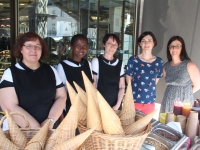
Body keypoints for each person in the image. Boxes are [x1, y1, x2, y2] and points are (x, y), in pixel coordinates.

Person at [0, 32, 67, 129]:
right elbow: (9, 106)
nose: (33, 50)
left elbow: (61, 96)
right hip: (21, 133)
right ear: (21, 49)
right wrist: (36, 128)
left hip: (50, 130)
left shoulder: (51, 70)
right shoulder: (10, 73)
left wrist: (50, 120)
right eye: (29, 46)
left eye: (37, 47)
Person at [126, 31, 164, 114]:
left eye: (149, 40)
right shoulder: (133, 60)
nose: (146, 43)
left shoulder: (159, 62)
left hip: (149, 102)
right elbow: (128, 80)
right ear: (140, 43)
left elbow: (154, 82)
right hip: (133, 101)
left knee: (147, 126)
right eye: (143, 40)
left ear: (154, 43)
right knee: (131, 126)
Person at [161, 36, 200, 113]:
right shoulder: (166, 66)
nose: (174, 49)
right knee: (167, 123)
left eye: (177, 46)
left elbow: (198, 85)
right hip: (168, 100)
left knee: (181, 123)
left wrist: (185, 93)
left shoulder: (189, 64)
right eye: (172, 46)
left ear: (182, 48)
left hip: (184, 101)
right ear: (168, 48)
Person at [57, 34, 93, 115]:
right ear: (71, 47)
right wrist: (61, 117)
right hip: (71, 112)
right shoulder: (63, 66)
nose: (81, 49)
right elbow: (60, 95)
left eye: (84, 46)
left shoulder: (88, 64)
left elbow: (91, 89)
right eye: (78, 45)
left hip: (87, 111)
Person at [91, 33, 125, 110]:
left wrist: (117, 105)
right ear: (104, 44)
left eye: (115, 44)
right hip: (99, 105)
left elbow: (122, 86)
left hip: (116, 106)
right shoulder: (96, 61)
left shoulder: (120, 63)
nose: (112, 47)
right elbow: (94, 84)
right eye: (109, 43)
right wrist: (99, 104)